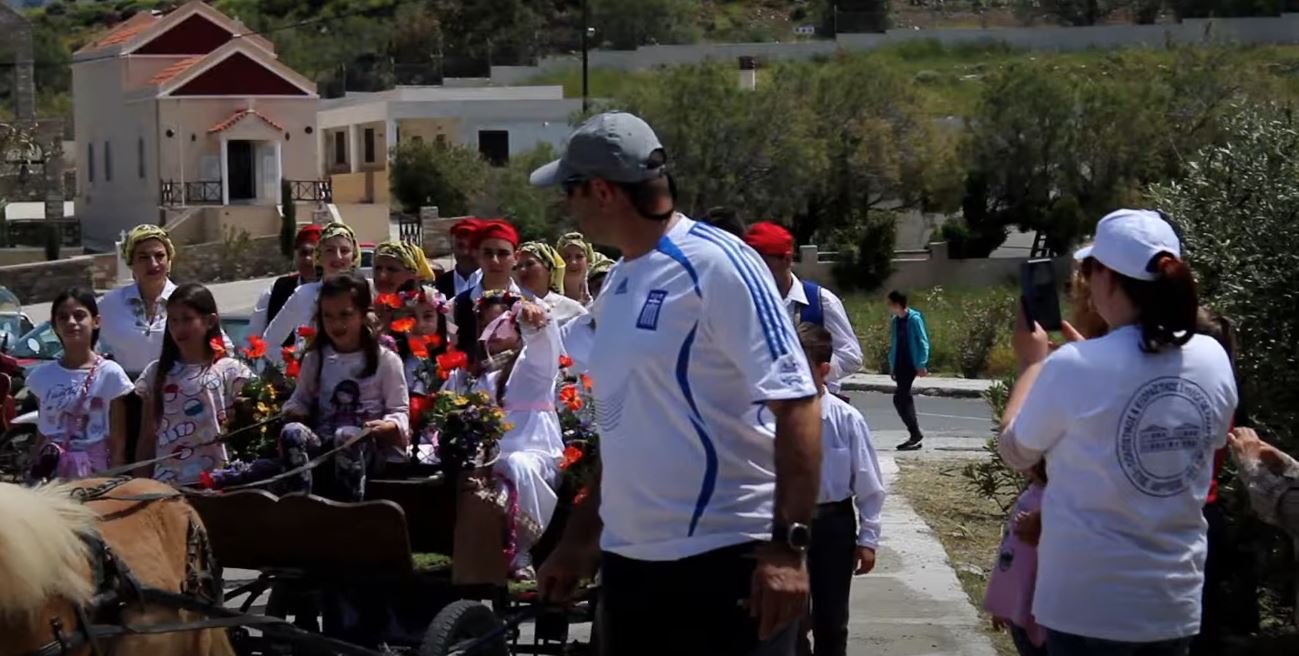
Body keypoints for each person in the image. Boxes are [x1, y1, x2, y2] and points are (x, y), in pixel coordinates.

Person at [532, 111, 822, 655]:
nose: (565, 205)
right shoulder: (617, 283)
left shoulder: (718, 263)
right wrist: (578, 540)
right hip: (631, 570)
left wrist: (789, 547)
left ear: (600, 191)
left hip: (728, 561)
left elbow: (799, 404)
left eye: (569, 191)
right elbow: (624, 428)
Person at [997, 209, 1238, 656]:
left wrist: (1034, 366)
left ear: (1104, 277)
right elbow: (1209, 437)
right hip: (1173, 605)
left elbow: (1015, 449)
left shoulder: (1073, 367)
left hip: (1086, 607)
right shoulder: (1211, 356)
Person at [443, 290, 565, 579]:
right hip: (486, 459)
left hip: (534, 456)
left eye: (502, 323)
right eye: (487, 324)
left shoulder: (532, 366)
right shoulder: (468, 375)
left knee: (516, 465)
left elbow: (544, 341)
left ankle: (519, 552)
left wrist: (531, 318)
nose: (495, 332)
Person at [277, 272, 410, 500]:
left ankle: (348, 510)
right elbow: (300, 398)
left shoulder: (385, 360)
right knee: (292, 433)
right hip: (324, 441)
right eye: (328, 316)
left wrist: (386, 426)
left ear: (362, 315)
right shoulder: (316, 358)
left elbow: (399, 411)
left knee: (347, 435)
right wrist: (294, 410)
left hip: (365, 446)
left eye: (345, 315)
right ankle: (299, 505)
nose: (336, 324)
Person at [796, 323, 883, 656]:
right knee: (790, 622)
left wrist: (868, 540)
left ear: (824, 371)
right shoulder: (771, 418)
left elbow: (869, 485)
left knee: (831, 621)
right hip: (788, 525)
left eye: (801, 368)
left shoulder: (847, 420)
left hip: (833, 526)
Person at [135, 284, 253, 486]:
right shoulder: (156, 373)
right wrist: (138, 484)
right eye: (173, 320)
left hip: (218, 481)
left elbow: (248, 430)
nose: (179, 327)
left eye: (187, 319)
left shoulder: (231, 371)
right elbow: (147, 437)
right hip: (168, 484)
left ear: (210, 321)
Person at [25, 288, 135, 479]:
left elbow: (118, 439)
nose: (71, 322)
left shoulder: (110, 374)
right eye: (63, 317)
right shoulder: (41, 377)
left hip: (94, 474)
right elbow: (43, 431)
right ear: (54, 326)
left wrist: (115, 475)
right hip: (52, 474)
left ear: (96, 321)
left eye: (79, 315)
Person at [745, 222, 863, 397]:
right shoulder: (746, 303)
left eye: (761, 262)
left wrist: (808, 369)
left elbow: (851, 357)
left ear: (786, 259)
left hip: (813, 410)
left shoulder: (821, 301)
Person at [263, 222, 362, 362]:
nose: (338, 257)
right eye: (330, 250)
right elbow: (269, 343)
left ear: (354, 256)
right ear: (319, 256)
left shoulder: (366, 293)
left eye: (345, 250)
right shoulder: (303, 294)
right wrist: (296, 365)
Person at [984, 462, 1048, 656]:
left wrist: (1003, 603)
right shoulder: (1076, 500)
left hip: (1032, 608)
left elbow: (1013, 557)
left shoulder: (1034, 500)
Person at [98, 225, 178, 377]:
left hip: (175, 393)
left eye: (159, 256)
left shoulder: (186, 300)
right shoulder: (110, 304)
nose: (153, 264)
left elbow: (218, 347)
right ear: (131, 262)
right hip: (124, 393)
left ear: (169, 260)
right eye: (143, 257)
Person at [450, 219, 522, 355]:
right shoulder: (456, 307)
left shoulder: (531, 303)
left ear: (516, 258)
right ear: (477, 255)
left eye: (503, 254)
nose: (495, 260)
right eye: (488, 253)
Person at [248, 224, 322, 341]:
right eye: (304, 253)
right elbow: (253, 337)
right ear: (295, 255)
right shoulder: (276, 289)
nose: (308, 259)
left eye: (313, 253)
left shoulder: (334, 290)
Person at [886, 290, 929, 451]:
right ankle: (915, 434)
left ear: (898, 304)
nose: (889, 307)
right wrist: (892, 365)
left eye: (891, 304)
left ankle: (915, 434)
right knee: (903, 397)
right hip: (900, 363)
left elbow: (923, 341)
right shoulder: (895, 321)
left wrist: (921, 363)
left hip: (911, 363)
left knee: (900, 397)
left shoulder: (914, 319)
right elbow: (894, 343)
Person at [516, 241, 589, 325]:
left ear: (548, 268)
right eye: (518, 266)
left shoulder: (573, 310)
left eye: (530, 264)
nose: (522, 270)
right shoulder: (511, 304)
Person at [434, 218, 484, 299]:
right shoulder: (439, 283)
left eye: (467, 235)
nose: (461, 240)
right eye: (458, 237)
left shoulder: (492, 281)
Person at [557, 232, 595, 304]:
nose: (573, 262)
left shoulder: (599, 296)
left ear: (588, 261)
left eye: (579, 257)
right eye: (567, 257)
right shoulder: (549, 299)